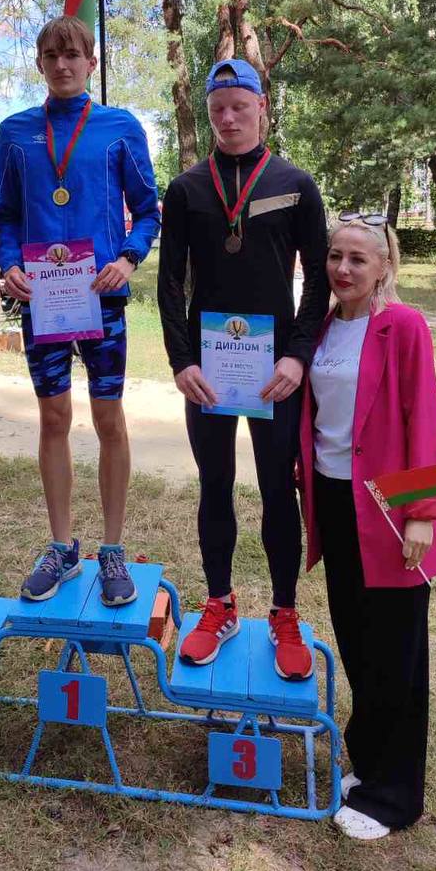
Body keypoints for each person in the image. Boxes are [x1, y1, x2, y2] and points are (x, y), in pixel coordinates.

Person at [157, 59, 329, 678]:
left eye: (238, 106)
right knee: (215, 484)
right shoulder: (186, 189)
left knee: (278, 488)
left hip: (273, 370)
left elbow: (320, 281)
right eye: (217, 110)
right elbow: (169, 281)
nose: (228, 119)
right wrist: (181, 362)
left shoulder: (295, 184)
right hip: (209, 370)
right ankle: (220, 603)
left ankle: (284, 611)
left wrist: (298, 355)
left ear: (262, 107)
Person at [299, 213, 436, 840]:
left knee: (396, 655)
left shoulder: (403, 325)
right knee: (358, 642)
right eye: (335, 256)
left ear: (384, 266)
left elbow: (425, 417)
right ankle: (367, 764)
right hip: (336, 502)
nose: (343, 268)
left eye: (357, 259)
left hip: (390, 510)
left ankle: (395, 798)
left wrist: (422, 513)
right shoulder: (321, 326)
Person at [0, 16, 160, 608]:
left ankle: (112, 548)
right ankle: (62, 546)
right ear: (39, 63)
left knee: (109, 420)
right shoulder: (15, 132)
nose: (62, 65)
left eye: (73, 55)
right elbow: (7, 215)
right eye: (51, 55)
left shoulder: (119, 127)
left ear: (91, 63)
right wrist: (9, 263)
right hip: (42, 300)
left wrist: (128, 258)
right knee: (53, 420)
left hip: (101, 297)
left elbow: (148, 209)